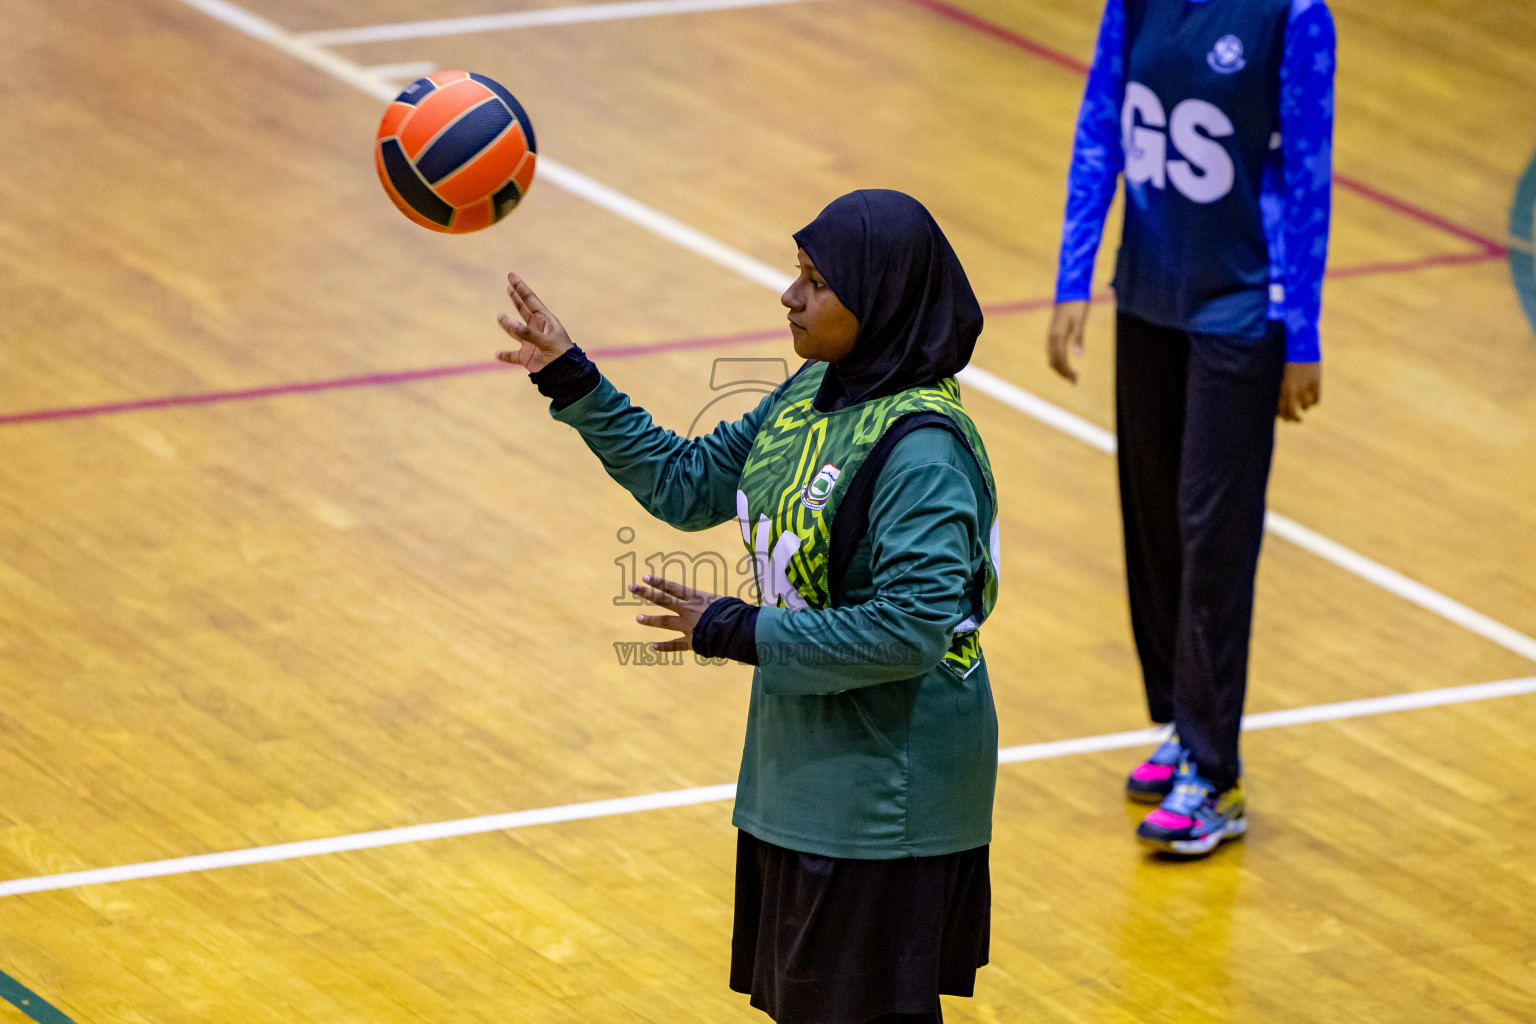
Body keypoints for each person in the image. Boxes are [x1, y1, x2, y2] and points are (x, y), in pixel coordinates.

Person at [497, 189, 1003, 1024]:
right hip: (799, 774)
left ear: (877, 303)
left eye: (816, 281)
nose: (789, 295)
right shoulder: (808, 393)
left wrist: (735, 628)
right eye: (797, 272)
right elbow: (687, 483)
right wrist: (570, 376)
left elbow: (910, 631)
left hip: (887, 798)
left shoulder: (922, 452)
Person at [1046, 0, 1336, 856]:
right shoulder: (1132, 6)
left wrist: (1303, 332)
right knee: (1154, 520)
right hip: (1146, 299)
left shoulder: (1293, 17)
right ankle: (1180, 719)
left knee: (1214, 534)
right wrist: (1075, 276)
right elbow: (1101, 125)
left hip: (1240, 314)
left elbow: (1307, 176)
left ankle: (1215, 776)